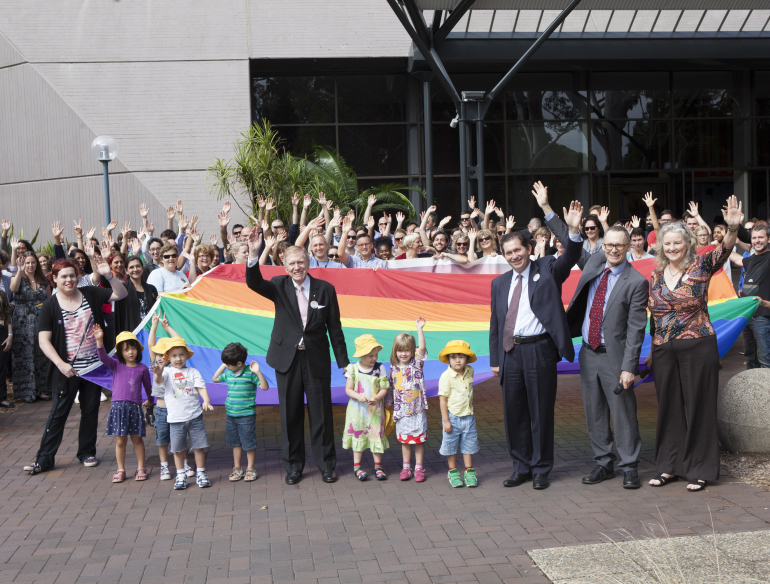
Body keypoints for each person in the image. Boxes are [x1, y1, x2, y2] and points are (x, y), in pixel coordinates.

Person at [489, 189, 583, 491]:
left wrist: (561, 221)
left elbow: (571, 253)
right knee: (514, 413)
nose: (514, 257)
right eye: (508, 253)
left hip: (540, 350)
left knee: (540, 412)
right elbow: (495, 323)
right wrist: (495, 360)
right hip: (510, 353)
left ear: (528, 248)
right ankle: (521, 467)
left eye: (518, 250)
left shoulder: (548, 268)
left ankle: (542, 468)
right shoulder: (499, 283)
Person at [646, 196, 741, 492]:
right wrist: (652, 349)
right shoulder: (655, 274)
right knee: (668, 408)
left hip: (698, 346)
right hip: (663, 350)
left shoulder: (702, 265)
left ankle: (700, 469)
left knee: (700, 406)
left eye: (677, 242)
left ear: (687, 243)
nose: (672, 248)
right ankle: (669, 466)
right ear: (661, 246)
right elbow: (654, 316)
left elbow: (724, 249)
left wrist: (733, 227)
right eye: (667, 244)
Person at [246, 231, 349, 485]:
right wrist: (253, 254)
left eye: (300, 262)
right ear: (284, 266)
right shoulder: (279, 285)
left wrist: (344, 364)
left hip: (316, 359)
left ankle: (326, 465)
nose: (296, 267)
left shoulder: (326, 289)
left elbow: (335, 329)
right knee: (290, 415)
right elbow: (254, 283)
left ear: (309, 262)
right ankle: (293, 467)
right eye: (291, 263)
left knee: (321, 415)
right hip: (286, 359)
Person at [564, 225, 649, 489]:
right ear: (602, 246)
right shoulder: (594, 265)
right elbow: (570, 244)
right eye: (609, 245)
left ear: (628, 248)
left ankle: (630, 466)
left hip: (616, 359)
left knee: (623, 413)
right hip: (588, 354)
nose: (613, 250)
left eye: (619, 245)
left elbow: (636, 329)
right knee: (595, 412)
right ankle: (604, 463)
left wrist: (629, 367)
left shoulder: (636, 282)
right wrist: (550, 213)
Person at [25, 257, 127, 475]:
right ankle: (44, 459)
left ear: (78, 276)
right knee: (58, 413)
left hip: (94, 368)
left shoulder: (90, 293)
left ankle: (87, 452)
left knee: (90, 411)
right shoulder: (50, 306)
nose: (69, 280)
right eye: (63, 276)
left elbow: (121, 294)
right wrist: (61, 364)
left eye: (72, 275)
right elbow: (44, 341)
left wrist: (109, 275)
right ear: (54, 279)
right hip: (67, 370)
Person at [150, 337, 214, 490]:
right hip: (175, 419)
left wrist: (206, 400)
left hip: (195, 416)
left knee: (199, 447)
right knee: (178, 449)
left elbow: (201, 387)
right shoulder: (166, 372)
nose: (178, 358)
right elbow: (159, 381)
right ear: (168, 358)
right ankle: (180, 475)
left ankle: (201, 473)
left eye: (181, 355)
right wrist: (158, 373)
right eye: (174, 355)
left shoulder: (193, 372)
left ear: (187, 355)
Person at [94, 326, 153, 483]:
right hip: (118, 408)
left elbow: (149, 388)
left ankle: (141, 467)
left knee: (137, 439)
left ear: (138, 350)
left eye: (133, 348)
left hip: (135, 408)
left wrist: (151, 401)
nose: (130, 352)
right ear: (120, 352)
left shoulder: (143, 368)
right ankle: (121, 469)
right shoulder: (116, 365)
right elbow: (102, 357)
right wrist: (99, 339)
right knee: (120, 441)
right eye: (126, 349)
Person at [147, 313, 194, 481]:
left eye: (162, 354)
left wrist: (167, 328)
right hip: (161, 410)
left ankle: (185, 464)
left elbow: (180, 343)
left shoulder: (176, 365)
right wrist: (154, 326)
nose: (159, 357)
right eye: (157, 354)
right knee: (162, 439)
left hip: (178, 409)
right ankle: (164, 466)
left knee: (181, 438)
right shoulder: (155, 365)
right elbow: (151, 344)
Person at [213, 342, 269, 483]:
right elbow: (214, 379)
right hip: (231, 415)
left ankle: (251, 468)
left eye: (228, 364)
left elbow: (264, 387)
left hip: (246, 416)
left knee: (249, 443)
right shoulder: (229, 373)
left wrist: (257, 372)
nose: (226, 366)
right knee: (235, 443)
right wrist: (225, 364)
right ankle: (237, 468)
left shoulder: (250, 374)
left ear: (238, 363)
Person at [343, 335, 390, 481]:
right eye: (370, 355)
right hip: (357, 413)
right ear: (362, 355)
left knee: (375, 436)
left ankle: (378, 467)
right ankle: (357, 467)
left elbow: (384, 388)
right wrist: (358, 396)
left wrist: (376, 398)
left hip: (374, 412)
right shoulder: (352, 368)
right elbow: (348, 389)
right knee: (359, 437)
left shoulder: (380, 368)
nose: (374, 358)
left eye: (376, 354)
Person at [387, 318, 428, 482]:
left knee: (418, 440)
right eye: (400, 350)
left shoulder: (416, 364)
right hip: (401, 411)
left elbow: (422, 349)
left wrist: (419, 329)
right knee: (405, 441)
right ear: (395, 351)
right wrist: (388, 401)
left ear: (412, 351)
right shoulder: (392, 369)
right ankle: (406, 467)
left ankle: (419, 468)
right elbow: (390, 387)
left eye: (407, 350)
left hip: (416, 410)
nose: (403, 353)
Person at [10, 251, 51, 402]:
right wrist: (20, 272)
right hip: (22, 322)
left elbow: (47, 299)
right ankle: (26, 392)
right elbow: (13, 289)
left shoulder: (43, 279)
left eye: (33, 262)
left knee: (41, 355)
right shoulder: (18, 277)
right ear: (23, 263)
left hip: (40, 320)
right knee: (25, 355)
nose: (31, 265)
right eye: (27, 262)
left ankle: (42, 390)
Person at [438, 340, 479, 489]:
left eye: (461, 356)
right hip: (452, 417)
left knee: (469, 445)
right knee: (451, 445)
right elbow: (443, 400)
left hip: (468, 416)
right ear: (448, 359)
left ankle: (469, 471)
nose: (457, 360)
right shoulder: (446, 377)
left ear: (467, 359)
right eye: (453, 357)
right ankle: (453, 471)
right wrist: (446, 421)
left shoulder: (470, 371)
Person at [730, 224, 770, 369]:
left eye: (761, 237)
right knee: (751, 359)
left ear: (768, 239)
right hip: (748, 316)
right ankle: (753, 391)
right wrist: (730, 231)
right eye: (754, 238)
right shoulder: (751, 259)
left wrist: (764, 303)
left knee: (765, 360)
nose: (757, 240)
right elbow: (735, 258)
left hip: (763, 318)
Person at [115, 256, 158, 334]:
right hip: (132, 333)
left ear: (142, 268)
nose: (135, 269)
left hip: (151, 331)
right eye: (131, 267)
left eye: (138, 266)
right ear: (126, 271)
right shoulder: (122, 290)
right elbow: (119, 317)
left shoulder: (151, 289)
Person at [0, 289, 12, 408]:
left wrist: (10, 335)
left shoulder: (2, 293)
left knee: (1, 366)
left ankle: (1, 397)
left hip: (2, 331)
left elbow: (7, 314)